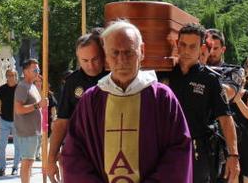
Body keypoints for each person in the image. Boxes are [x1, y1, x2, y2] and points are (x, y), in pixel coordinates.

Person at [61, 20, 192, 182]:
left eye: (129, 52)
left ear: (142, 51)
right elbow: (74, 154)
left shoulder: (162, 98)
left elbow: (178, 153)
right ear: (106, 55)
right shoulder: (91, 100)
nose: (122, 60)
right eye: (115, 53)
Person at [167, 24, 240, 182]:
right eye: (183, 45)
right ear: (176, 44)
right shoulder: (165, 75)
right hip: (168, 150)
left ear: (202, 48)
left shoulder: (209, 79)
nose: (186, 50)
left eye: (192, 46)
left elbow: (226, 118)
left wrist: (233, 155)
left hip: (199, 150)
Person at [45, 31, 107, 183]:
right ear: (78, 58)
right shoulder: (73, 81)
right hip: (81, 152)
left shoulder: (114, 76)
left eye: (95, 59)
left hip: (109, 150)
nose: (90, 65)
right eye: (85, 60)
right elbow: (62, 121)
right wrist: (51, 158)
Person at [14, 58, 43, 183]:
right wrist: (37, 105)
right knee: (27, 161)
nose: (38, 71)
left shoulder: (32, 86)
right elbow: (18, 109)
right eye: (35, 69)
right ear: (25, 71)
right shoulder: (22, 86)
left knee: (30, 161)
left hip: (34, 130)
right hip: (27, 131)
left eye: (38, 69)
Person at [0, 69, 20, 176]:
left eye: (13, 75)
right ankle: (2, 168)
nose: (11, 77)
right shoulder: (2, 89)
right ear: (6, 77)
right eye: (9, 75)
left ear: (16, 76)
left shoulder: (20, 88)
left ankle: (15, 167)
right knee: (2, 146)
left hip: (17, 120)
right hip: (4, 120)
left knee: (17, 145)